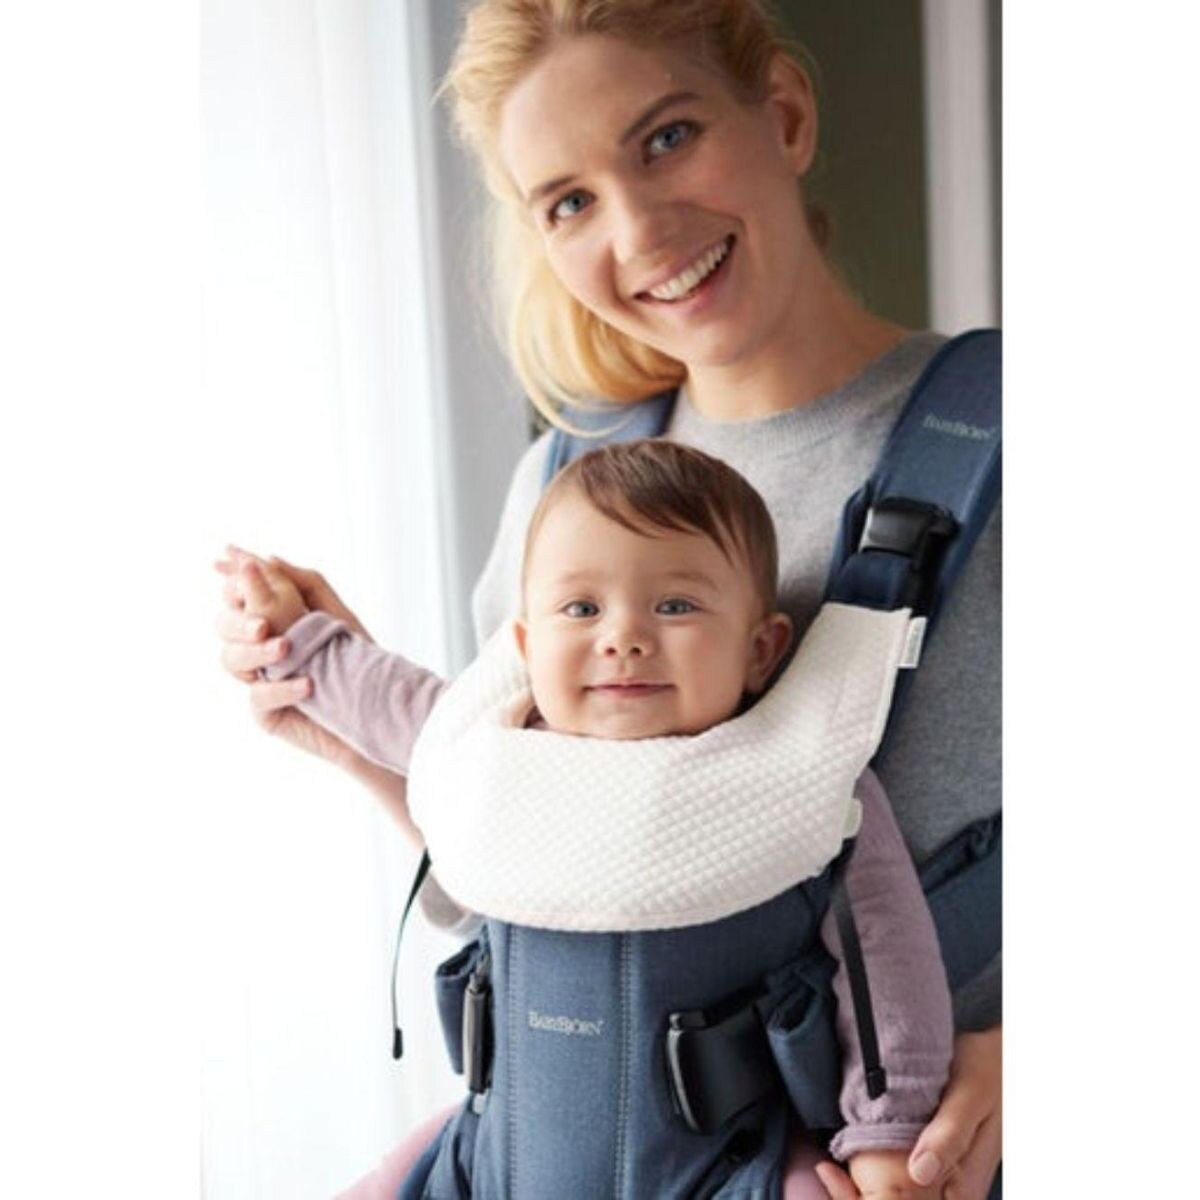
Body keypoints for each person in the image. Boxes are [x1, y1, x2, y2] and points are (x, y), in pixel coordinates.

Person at [214, 2, 1001, 1195]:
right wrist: (373, 746)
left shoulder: (1012, 447)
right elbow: (529, 881)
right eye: (569, 201)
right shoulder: (563, 480)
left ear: (784, 115)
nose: (638, 228)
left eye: (669, 137)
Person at [235, 439, 953, 1199]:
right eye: (581, 609)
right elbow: (385, 700)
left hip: (728, 1166)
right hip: (499, 1154)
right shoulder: (495, 749)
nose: (623, 637)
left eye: (675, 606)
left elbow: (889, 960)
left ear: (761, 650)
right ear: (526, 646)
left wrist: (889, 1133)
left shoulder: (803, 773)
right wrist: (295, 643)